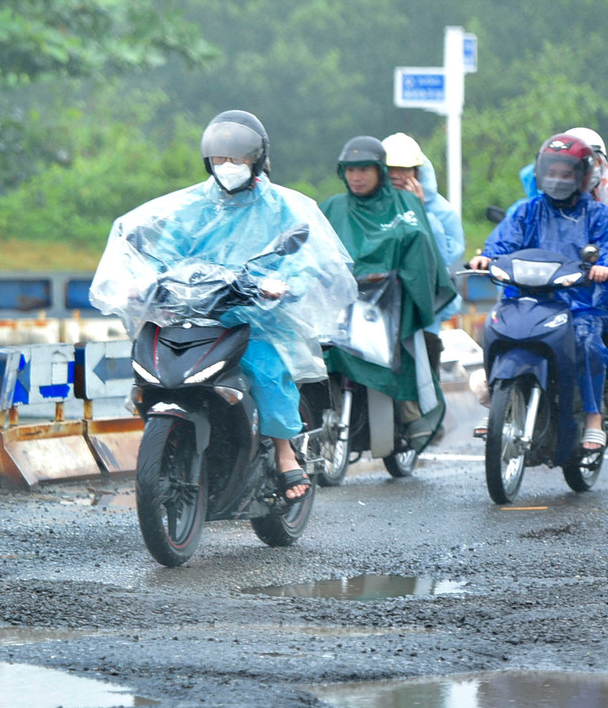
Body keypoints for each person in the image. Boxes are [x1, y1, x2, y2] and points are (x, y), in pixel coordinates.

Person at [89, 110, 356, 501]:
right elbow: (164, 249)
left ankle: (285, 454)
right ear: (208, 161)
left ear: (258, 160)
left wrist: (280, 285)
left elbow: (308, 258)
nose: (228, 166)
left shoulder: (285, 206)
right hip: (193, 313)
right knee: (153, 367)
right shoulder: (190, 206)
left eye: (237, 158)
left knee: (266, 373)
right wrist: (141, 282)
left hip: (256, 318)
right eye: (220, 159)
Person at [470, 133, 608, 452]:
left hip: (581, 305)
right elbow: (502, 241)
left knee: (588, 343)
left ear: (583, 177)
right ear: (539, 173)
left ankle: (592, 418)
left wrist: (602, 265)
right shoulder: (526, 210)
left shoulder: (597, 214)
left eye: (566, 174)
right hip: (528, 299)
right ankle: (498, 404)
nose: (557, 180)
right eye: (551, 173)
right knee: (496, 326)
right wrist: (486, 257)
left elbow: (605, 247)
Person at [320, 136, 456, 453]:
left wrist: (404, 289)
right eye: (350, 170)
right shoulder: (332, 207)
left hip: (390, 306)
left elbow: (424, 251)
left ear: (379, 170)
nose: (356, 176)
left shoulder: (407, 205)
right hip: (340, 306)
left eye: (364, 169)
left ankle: (412, 417)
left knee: (408, 353)